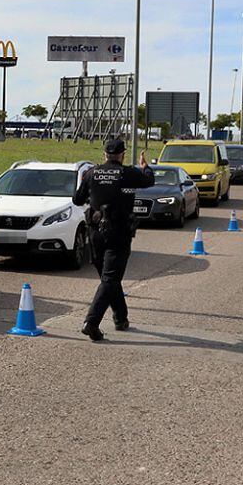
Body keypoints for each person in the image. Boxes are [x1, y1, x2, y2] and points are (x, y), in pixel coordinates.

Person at [72, 138, 155, 342]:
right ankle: (91, 323)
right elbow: (148, 180)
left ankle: (120, 318)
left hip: (96, 233)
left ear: (104, 154)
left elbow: (77, 200)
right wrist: (145, 166)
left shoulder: (91, 173)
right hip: (119, 233)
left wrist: (89, 183)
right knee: (110, 279)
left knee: (109, 279)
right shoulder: (128, 173)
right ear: (122, 155)